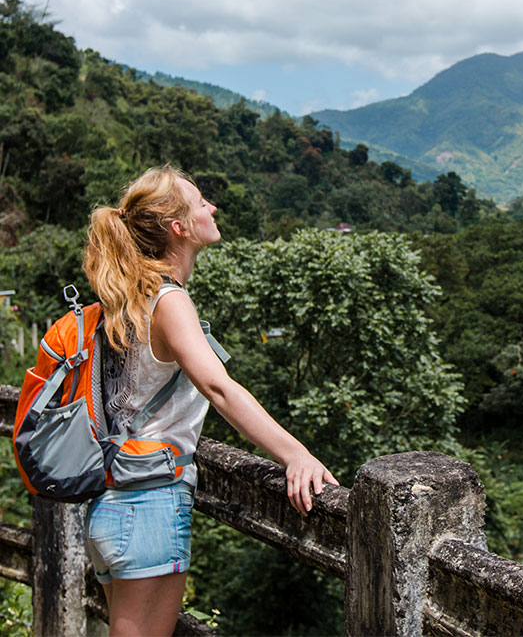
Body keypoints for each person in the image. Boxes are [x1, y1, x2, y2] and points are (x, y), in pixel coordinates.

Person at [81, 164, 337, 636]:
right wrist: (295, 453)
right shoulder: (168, 300)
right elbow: (219, 388)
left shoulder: (126, 296)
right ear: (179, 227)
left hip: (110, 504)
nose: (212, 207)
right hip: (150, 504)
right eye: (201, 202)